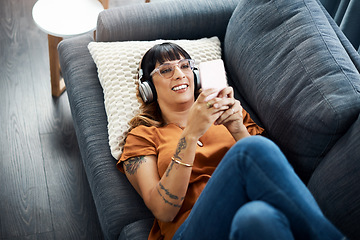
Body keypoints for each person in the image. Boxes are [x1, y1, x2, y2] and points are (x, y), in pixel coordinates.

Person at [116, 42, 345, 240]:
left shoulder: (232, 115)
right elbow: (162, 210)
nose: (179, 74)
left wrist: (237, 129)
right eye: (166, 70)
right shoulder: (142, 136)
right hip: (190, 231)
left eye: (185, 65)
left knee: (257, 218)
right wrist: (190, 134)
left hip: (243, 215)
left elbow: (278, 178)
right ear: (148, 89)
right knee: (248, 151)